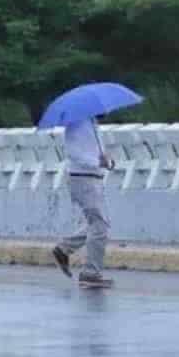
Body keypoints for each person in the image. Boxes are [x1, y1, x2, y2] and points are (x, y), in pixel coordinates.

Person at [52, 117, 115, 288]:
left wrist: (107, 162)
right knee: (99, 225)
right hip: (83, 179)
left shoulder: (92, 123)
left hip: (92, 178)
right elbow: (74, 153)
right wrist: (96, 162)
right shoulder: (77, 123)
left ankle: (64, 249)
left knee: (97, 224)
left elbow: (94, 152)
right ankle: (90, 274)